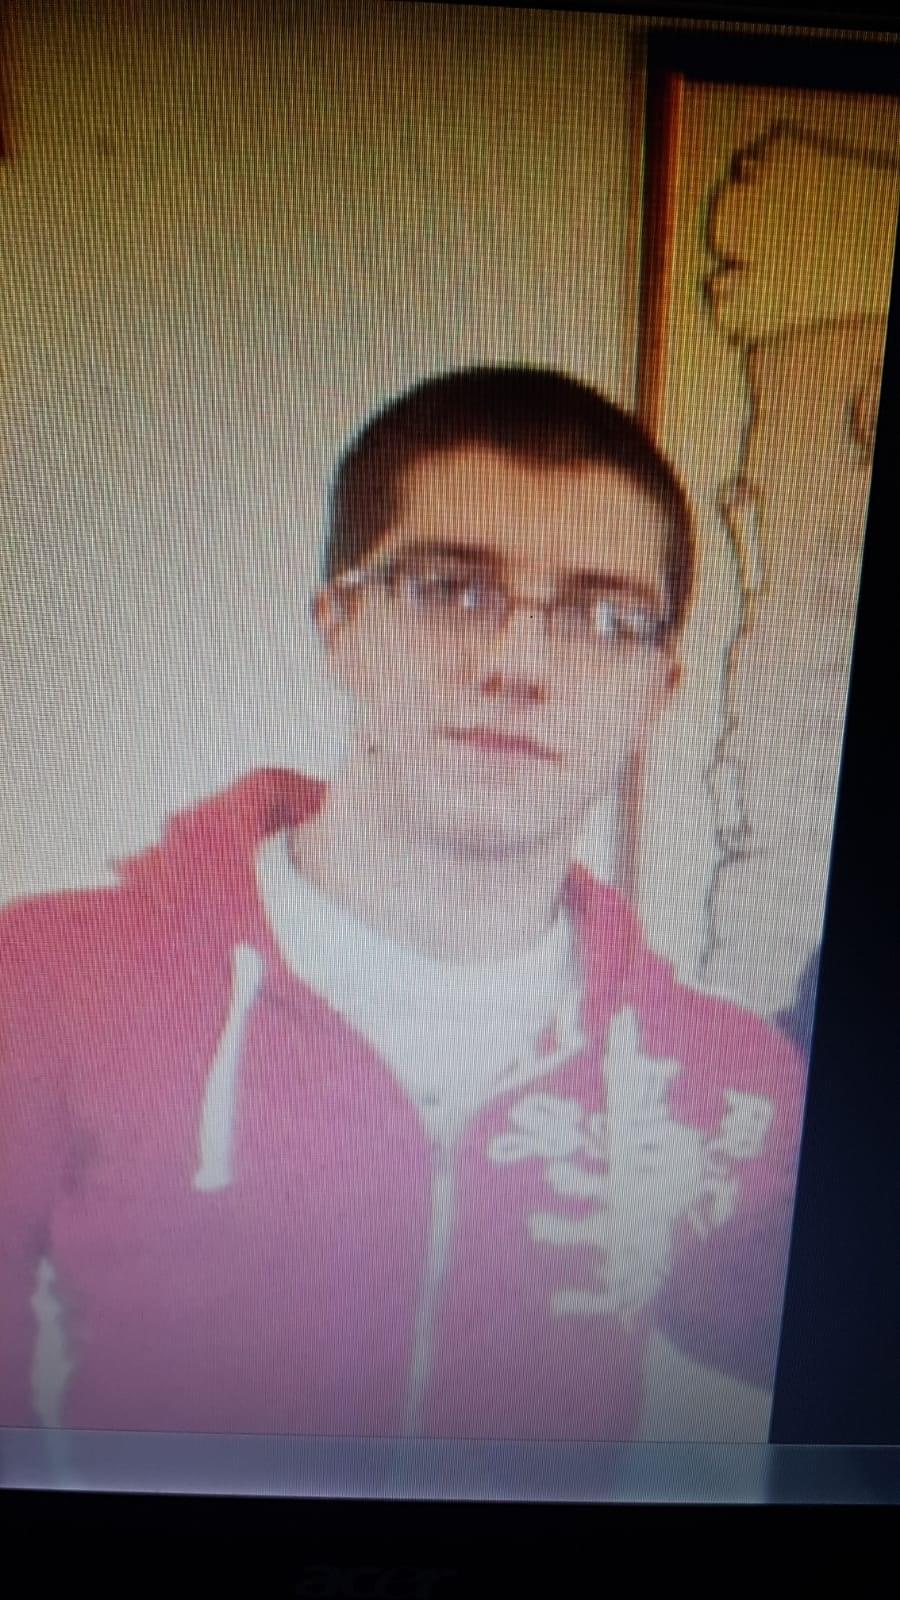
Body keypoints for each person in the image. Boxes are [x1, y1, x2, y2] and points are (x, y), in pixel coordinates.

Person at [0, 366, 806, 1443]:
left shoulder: (729, 1078)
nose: (518, 665)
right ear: (339, 624)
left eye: (606, 618)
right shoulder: (46, 980)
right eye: (451, 589)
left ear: (658, 688)